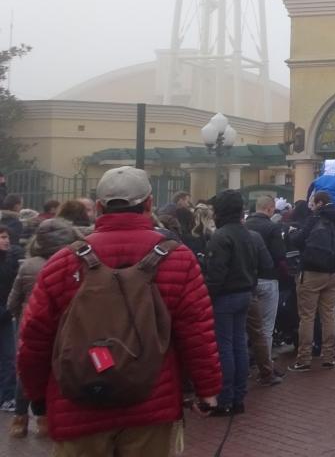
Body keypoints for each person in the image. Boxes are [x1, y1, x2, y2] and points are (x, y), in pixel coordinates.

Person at [18, 166, 221, 453]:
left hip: (78, 405)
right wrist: (207, 390)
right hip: (151, 401)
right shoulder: (178, 259)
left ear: (99, 207)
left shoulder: (63, 262)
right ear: (149, 204)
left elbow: (34, 338)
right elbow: (197, 331)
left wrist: (37, 395)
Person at [6, 218, 78, 437]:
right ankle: (46, 417)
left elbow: (13, 301)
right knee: (59, 369)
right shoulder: (73, 262)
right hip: (65, 325)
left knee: (26, 369)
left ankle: (20, 418)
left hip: (30, 322)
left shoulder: (28, 265)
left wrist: (20, 315)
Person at [204, 189, 259, 416]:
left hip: (225, 296)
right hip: (244, 293)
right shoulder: (247, 234)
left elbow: (216, 274)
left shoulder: (221, 236)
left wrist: (208, 295)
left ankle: (225, 398)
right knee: (239, 345)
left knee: (224, 347)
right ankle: (238, 397)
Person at [290, 190, 335, 372]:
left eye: (313, 202)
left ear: (320, 203)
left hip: (311, 272)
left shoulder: (314, 219)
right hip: (333, 272)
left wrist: (291, 234)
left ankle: (304, 359)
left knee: (307, 316)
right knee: (329, 315)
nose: (310, 205)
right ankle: (329, 355)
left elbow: (298, 240)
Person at [246, 195, 288, 386]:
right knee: (266, 326)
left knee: (248, 326)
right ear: (270, 209)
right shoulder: (272, 227)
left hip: (249, 280)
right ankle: (266, 365)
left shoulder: (245, 226)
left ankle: (248, 363)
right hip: (269, 278)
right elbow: (280, 255)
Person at [0, 223, 18, 413]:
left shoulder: (11, 260)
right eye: (2, 237)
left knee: (8, 357)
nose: (7, 241)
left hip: (5, 314)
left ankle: (7, 397)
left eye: (7, 237)